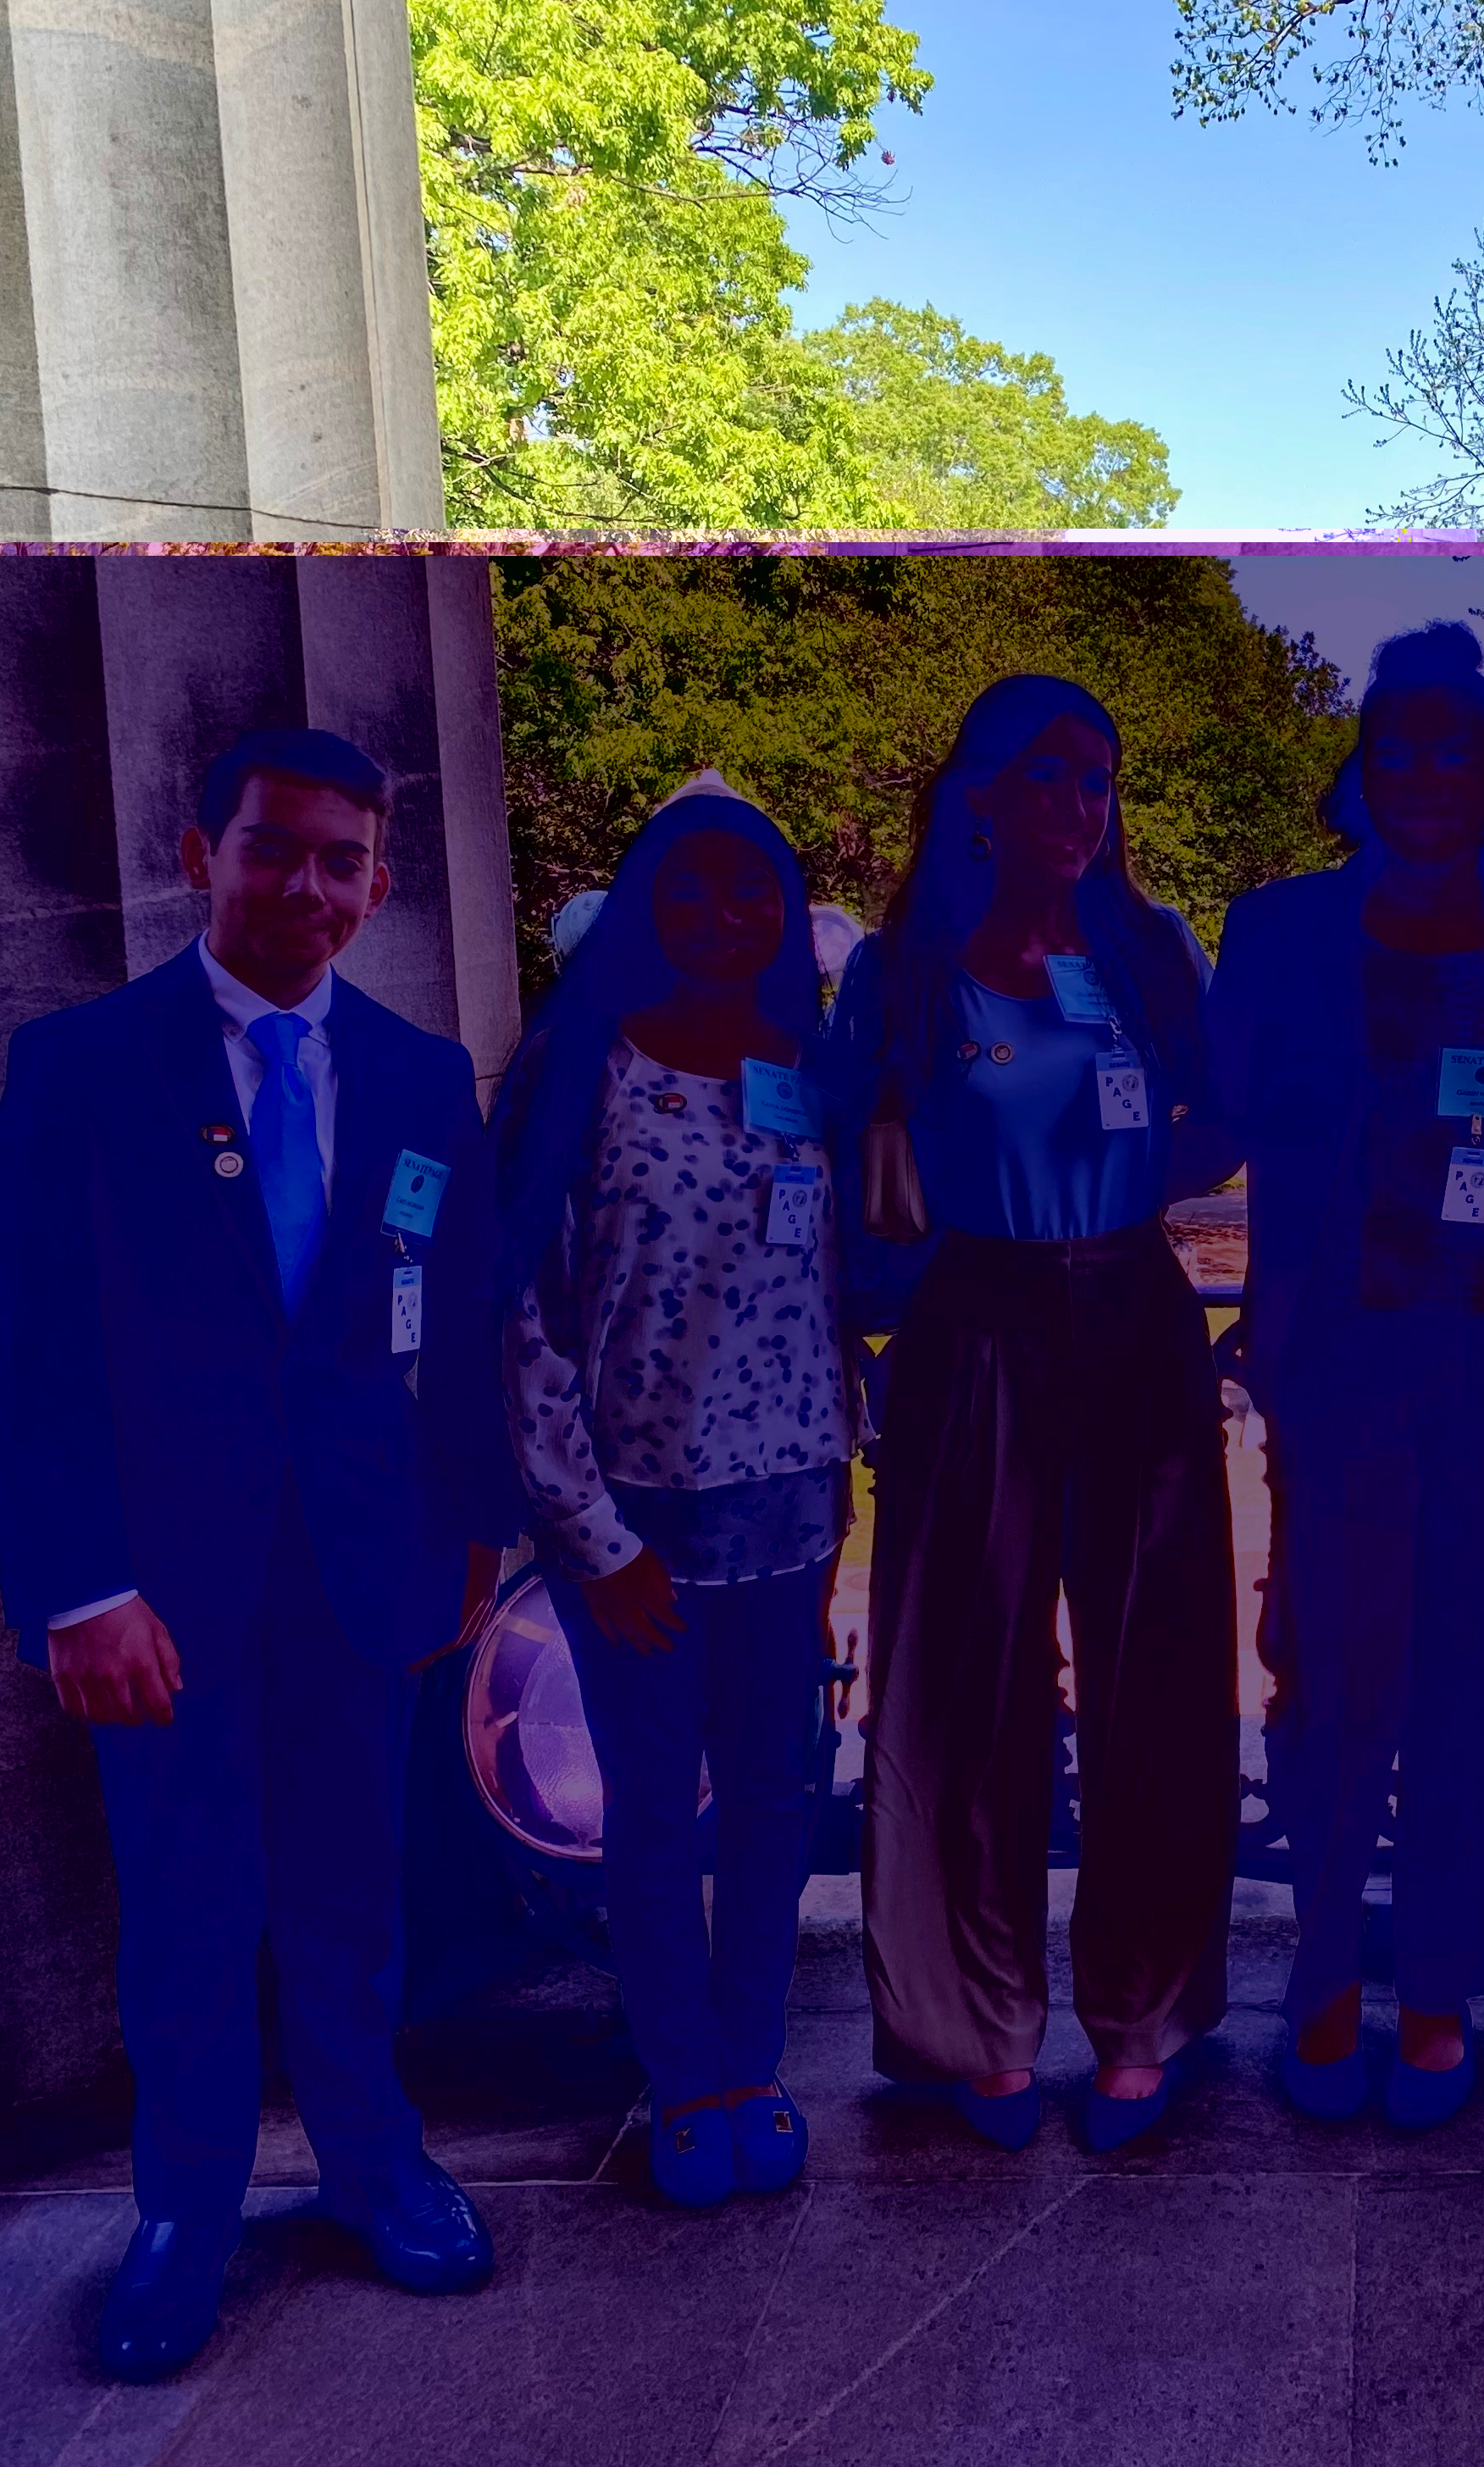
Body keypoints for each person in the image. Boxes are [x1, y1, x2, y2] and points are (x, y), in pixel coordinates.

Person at [0, 729, 520, 2381]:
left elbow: (460, 1322)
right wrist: (80, 1586)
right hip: (162, 1595)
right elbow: (25, 1348)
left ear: (378, 880)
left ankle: (374, 2169)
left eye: (341, 860)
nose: (307, 886)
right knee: (190, 1913)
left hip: (365, 1569)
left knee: (355, 1896)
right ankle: (183, 2215)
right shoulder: (87, 1066)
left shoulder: (422, 1079)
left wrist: (475, 1536)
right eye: (273, 848)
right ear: (201, 851)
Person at [813, 676, 1243, 2154]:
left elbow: (1218, 1128)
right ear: (978, 795)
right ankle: (973, 2024)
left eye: (1099, 782)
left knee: (1162, 1680)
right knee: (957, 1690)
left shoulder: (1149, 953)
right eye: (1048, 778)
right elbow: (834, 1157)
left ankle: (1145, 2017)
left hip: (1132, 1312)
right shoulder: (902, 972)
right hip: (974, 1325)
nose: (1078, 808)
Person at [1204, 624, 1484, 2130]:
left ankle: (1438, 1985)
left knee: (1475, 1680)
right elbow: (1221, 1121)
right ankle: (1320, 1973)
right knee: (1323, 1675)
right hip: (1334, 1360)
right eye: (1401, 742)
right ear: (1362, 767)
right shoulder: (1276, 932)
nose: (1430, 769)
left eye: (1458, 742)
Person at [485, 776, 850, 2211]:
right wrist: (593, 1535)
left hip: (794, 1511)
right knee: (652, 1811)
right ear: (643, 902)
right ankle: (683, 2074)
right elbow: (528, 1316)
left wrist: (833, 1507)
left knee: (772, 1801)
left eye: (751, 886)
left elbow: (823, 1290)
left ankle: (752, 2062)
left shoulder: (802, 1068)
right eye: (687, 885)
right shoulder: (587, 1066)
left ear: (784, 911)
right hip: (635, 1522)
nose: (720, 912)